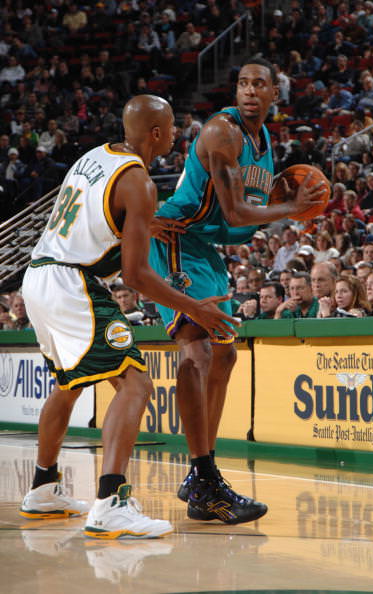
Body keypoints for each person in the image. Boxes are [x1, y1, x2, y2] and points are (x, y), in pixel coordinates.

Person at [19, 95, 238, 540]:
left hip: (38, 276)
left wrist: (145, 222)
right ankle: (110, 502)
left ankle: (43, 487)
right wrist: (193, 306)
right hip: (72, 282)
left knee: (68, 385)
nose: (178, 133)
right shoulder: (139, 181)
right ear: (155, 134)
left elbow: (96, 216)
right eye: (173, 126)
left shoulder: (96, 156)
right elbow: (136, 275)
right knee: (135, 381)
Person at [149, 58, 325, 524]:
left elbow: (245, 211)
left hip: (205, 249)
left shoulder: (265, 142)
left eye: (259, 84)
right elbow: (232, 213)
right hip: (175, 237)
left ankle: (199, 473)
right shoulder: (221, 132)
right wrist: (290, 207)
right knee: (200, 349)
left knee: (226, 354)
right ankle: (203, 474)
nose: (249, 91)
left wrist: (288, 200)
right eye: (243, 83)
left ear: (274, 94)